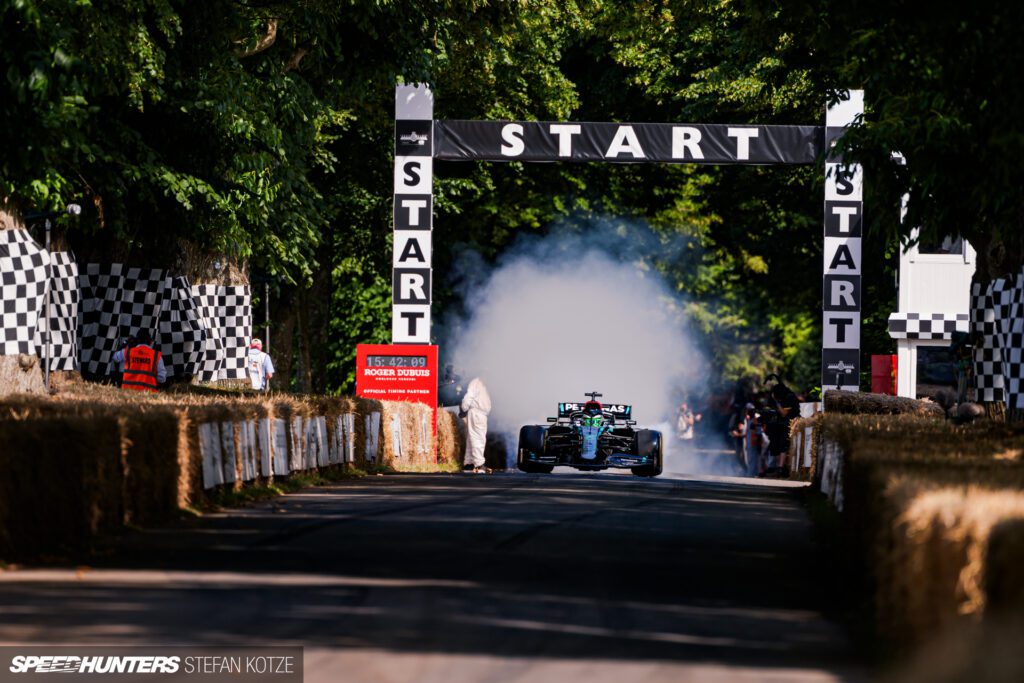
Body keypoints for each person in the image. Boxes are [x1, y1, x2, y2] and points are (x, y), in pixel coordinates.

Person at [460, 376, 492, 473]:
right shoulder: (477, 382)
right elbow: (468, 397)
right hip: (478, 413)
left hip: (478, 413)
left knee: (471, 438)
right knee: (478, 438)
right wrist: (464, 408)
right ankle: (479, 464)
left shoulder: (482, 383)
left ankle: (468, 464)